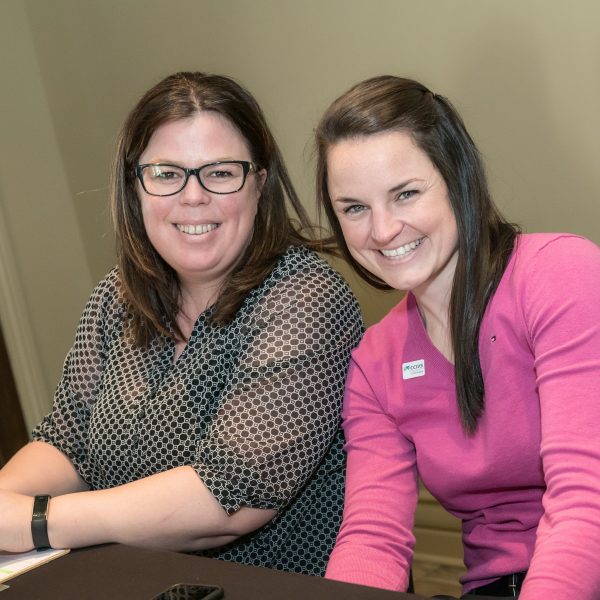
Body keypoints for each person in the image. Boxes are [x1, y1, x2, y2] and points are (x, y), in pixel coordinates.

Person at [0, 71, 363, 576]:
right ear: (136, 187)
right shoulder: (117, 297)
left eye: (220, 173)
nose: (193, 196)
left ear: (260, 184)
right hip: (138, 581)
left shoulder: (305, 297)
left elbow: (229, 497)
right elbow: (67, 440)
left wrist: (36, 523)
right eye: (167, 173)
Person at [315, 75, 600, 598]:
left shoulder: (560, 274)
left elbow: (587, 501)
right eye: (354, 207)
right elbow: (373, 540)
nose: (382, 230)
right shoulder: (375, 362)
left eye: (405, 194)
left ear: (458, 179)